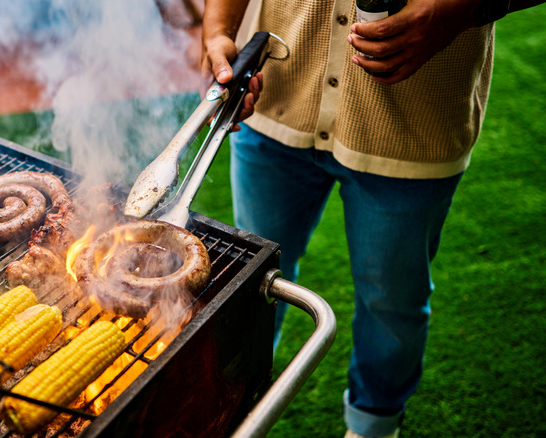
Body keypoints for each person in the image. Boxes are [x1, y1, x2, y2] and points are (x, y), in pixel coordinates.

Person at [200, 0, 544, 437]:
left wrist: (459, 11)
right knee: (250, 290)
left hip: (415, 122)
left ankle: (373, 427)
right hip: (276, 100)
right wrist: (217, 31)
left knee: (391, 303)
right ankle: (229, 410)